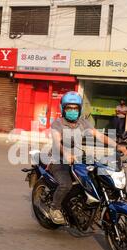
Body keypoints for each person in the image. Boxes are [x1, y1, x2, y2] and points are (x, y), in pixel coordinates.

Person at [48, 92, 117, 224]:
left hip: (79, 160)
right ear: (63, 109)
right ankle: (54, 208)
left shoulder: (83, 123)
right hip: (59, 161)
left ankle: (88, 207)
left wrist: (117, 146)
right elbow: (57, 142)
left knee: (97, 179)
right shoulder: (57, 124)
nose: (72, 111)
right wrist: (66, 154)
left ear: (80, 109)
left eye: (75, 108)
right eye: (69, 108)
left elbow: (99, 136)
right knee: (66, 184)